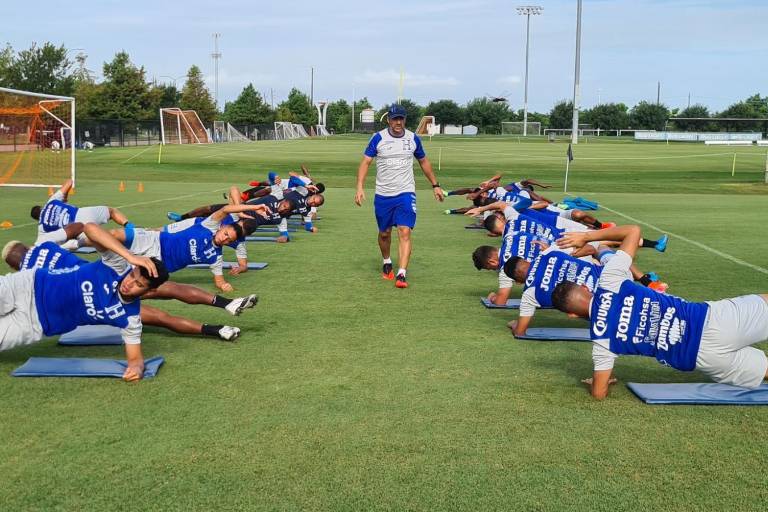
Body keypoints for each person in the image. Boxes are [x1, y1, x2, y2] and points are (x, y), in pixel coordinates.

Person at [552, 225, 768, 399]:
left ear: (571, 315)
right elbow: (633, 231)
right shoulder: (609, 281)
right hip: (708, 320)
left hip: (700, 357)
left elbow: (599, 394)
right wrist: (587, 236)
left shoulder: (601, 341)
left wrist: (601, 381)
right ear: (586, 288)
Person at [0, 228, 168, 382]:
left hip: (34, 323)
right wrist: (130, 257)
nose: (129, 283)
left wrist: (136, 369)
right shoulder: (117, 265)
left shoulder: (130, 318)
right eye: (132, 275)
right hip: (26, 286)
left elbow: (135, 360)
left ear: (147, 293)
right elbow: (90, 228)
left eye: (138, 285)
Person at [354, 104, 445, 288]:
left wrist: (435, 185)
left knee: (404, 231)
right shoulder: (378, 138)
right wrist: (360, 187)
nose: (398, 122)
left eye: (401, 118)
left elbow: (423, 161)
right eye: (394, 118)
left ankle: (402, 274)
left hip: (405, 192)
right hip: (383, 194)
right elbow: (366, 162)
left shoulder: (413, 138)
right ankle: (387, 261)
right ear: (389, 119)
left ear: (404, 119)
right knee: (384, 233)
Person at [30, 179, 131, 240]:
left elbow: (40, 244)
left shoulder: (41, 228)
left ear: (37, 219)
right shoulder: (51, 202)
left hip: (77, 233)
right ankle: (131, 228)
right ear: (41, 207)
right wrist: (64, 197)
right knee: (111, 211)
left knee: (104, 238)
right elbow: (69, 182)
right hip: (82, 214)